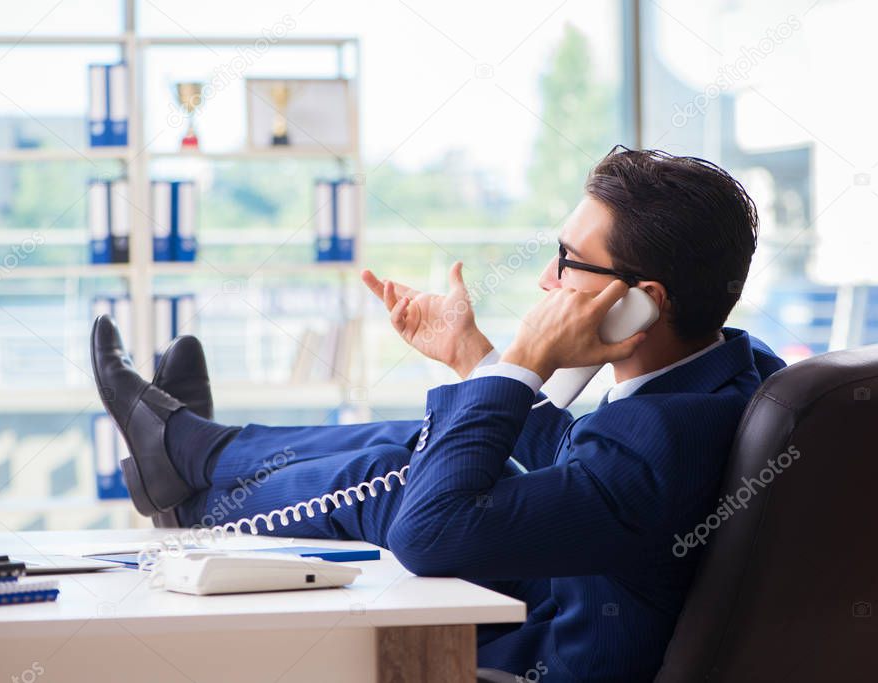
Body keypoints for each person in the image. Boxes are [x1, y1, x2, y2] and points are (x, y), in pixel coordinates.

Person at [91, 146, 785, 682]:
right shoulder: (730, 373)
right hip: (581, 575)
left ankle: (193, 484)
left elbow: (431, 533)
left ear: (641, 302)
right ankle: (197, 455)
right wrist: (474, 355)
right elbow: (586, 462)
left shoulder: (658, 447)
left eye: (568, 261)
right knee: (406, 449)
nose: (546, 280)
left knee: (397, 484)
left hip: (550, 648)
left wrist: (526, 362)